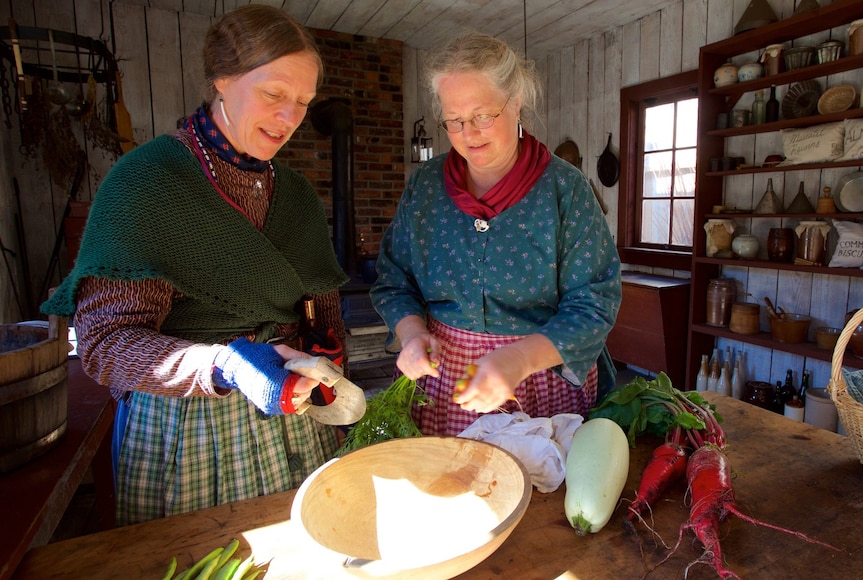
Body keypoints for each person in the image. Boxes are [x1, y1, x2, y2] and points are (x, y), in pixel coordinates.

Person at [41, 5, 348, 525]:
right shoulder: (148, 183)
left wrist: (327, 350)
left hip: (293, 420)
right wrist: (224, 365)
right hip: (191, 431)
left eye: (303, 102)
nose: (289, 117)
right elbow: (104, 345)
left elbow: (319, 300)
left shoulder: (294, 194)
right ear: (222, 80)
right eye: (274, 94)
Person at [370, 33, 622, 436]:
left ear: (516, 102)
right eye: (454, 121)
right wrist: (412, 333)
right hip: (446, 383)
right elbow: (394, 279)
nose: (469, 133)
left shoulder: (564, 189)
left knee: (541, 494)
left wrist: (517, 360)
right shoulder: (427, 187)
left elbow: (594, 304)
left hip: (541, 382)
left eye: (483, 114)